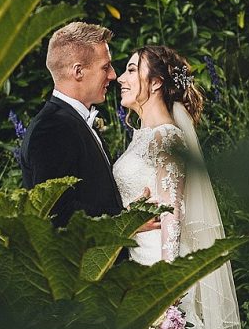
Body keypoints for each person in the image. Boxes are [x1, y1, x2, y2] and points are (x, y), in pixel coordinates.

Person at [113, 44, 243, 329]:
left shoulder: (167, 138)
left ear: (155, 83)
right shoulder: (142, 135)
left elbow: (173, 216)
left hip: (156, 268)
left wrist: (167, 293)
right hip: (136, 263)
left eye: (130, 70)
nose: (121, 79)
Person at [19, 22, 158, 234]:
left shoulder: (72, 120)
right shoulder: (51, 128)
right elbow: (57, 213)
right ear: (78, 71)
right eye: (105, 67)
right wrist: (123, 222)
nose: (113, 75)